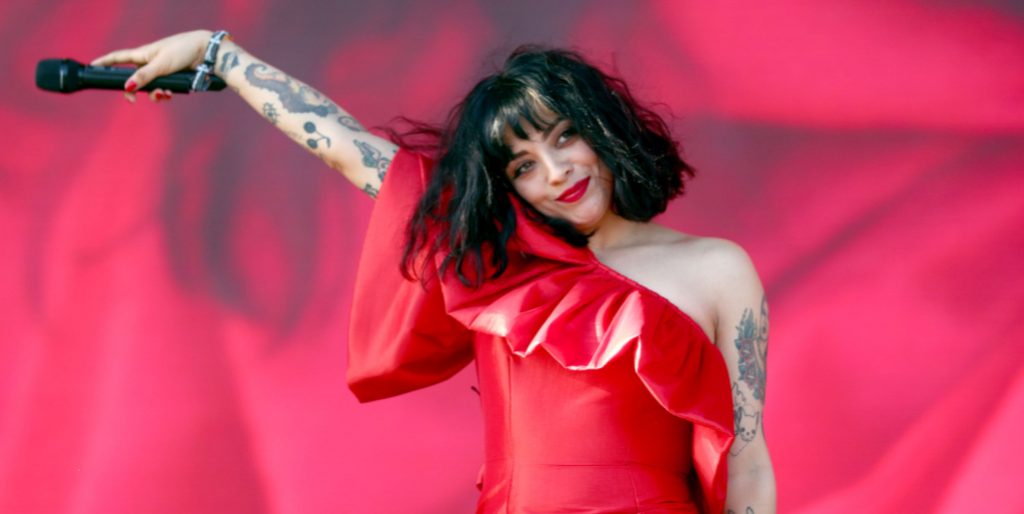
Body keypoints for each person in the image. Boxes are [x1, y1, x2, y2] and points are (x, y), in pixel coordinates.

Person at [93, 29, 776, 514]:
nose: (556, 171)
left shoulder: (716, 268)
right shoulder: (498, 261)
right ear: (506, 186)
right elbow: (344, 146)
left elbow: (745, 463)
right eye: (524, 165)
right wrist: (220, 54)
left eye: (565, 136)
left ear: (605, 129)